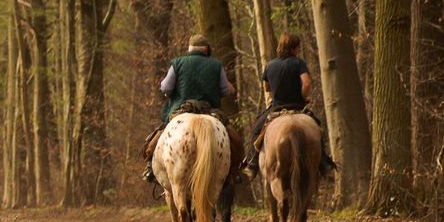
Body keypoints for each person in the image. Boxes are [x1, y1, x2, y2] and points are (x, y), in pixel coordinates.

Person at [142, 34, 244, 184]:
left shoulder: (177, 63)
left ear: (189, 49)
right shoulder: (216, 65)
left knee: (155, 140)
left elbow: (166, 87)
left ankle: (150, 168)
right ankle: (234, 171)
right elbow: (225, 90)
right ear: (206, 49)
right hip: (209, 110)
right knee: (236, 141)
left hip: (181, 110)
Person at [241, 32, 335, 180]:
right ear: (293, 48)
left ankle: (252, 165)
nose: (298, 50)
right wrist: (304, 97)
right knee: (317, 126)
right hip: (297, 106)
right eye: (298, 47)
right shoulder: (299, 63)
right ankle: (324, 164)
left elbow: (266, 87)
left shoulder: (270, 65)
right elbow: (306, 83)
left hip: (277, 107)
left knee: (256, 129)